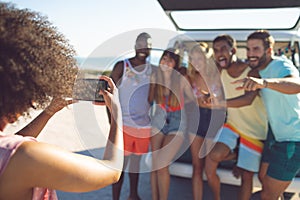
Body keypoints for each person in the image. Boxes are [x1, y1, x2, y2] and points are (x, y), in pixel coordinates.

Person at [0, 2, 123, 200]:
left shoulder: (14, 156)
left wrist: (49, 111)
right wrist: (117, 114)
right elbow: (111, 170)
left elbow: (9, 147)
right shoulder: (26, 157)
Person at [235, 30, 300, 200]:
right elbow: (247, 99)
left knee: (267, 195)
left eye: (256, 49)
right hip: (277, 136)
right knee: (264, 179)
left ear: (269, 51)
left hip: (293, 139)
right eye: (248, 49)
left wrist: (264, 83)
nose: (250, 54)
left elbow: (296, 84)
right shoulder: (258, 70)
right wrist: (217, 102)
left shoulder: (280, 65)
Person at [204, 34, 268, 200]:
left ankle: (239, 156)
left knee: (246, 177)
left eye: (223, 49)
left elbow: (247, 100)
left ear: (233, 50)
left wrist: (220, 103)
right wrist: (209, 97)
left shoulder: (251, 71)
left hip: (254, 130)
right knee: (212, 157)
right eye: (216, 50)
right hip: (233, 124)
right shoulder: (220, 71)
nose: (219, 53)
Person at [110, 32, 153, 200]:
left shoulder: (152, 70)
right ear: (135, 46)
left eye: (147, 45)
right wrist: (113, 120)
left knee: (135, 165)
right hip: (124, 124)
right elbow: (109, 93)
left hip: (143, 126)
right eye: (141, 44)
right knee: (120, 166)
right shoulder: (123, 66)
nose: (144, 48)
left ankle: (133, 196)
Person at [149, 48, 194, 200]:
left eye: (170, 59)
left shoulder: (180, 79)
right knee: (155, 165)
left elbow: (192, 99)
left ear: (175, 64)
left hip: (177, 121)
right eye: (164, 58)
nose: (166, 62)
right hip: (159, 118)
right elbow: (149, 99)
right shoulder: (156, 76)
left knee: (162, 164)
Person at [186, 43, 226, 200]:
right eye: (193, 59)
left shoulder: (219, 74)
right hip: (196, 121)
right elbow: (188, 101)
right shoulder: (190, 77)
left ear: (206, 58)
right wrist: (199, 100)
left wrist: (213, 100)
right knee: (197, 167)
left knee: (210, 169)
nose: (196, 62)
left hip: (214, 121)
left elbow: (225, 100)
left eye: (199, 58)